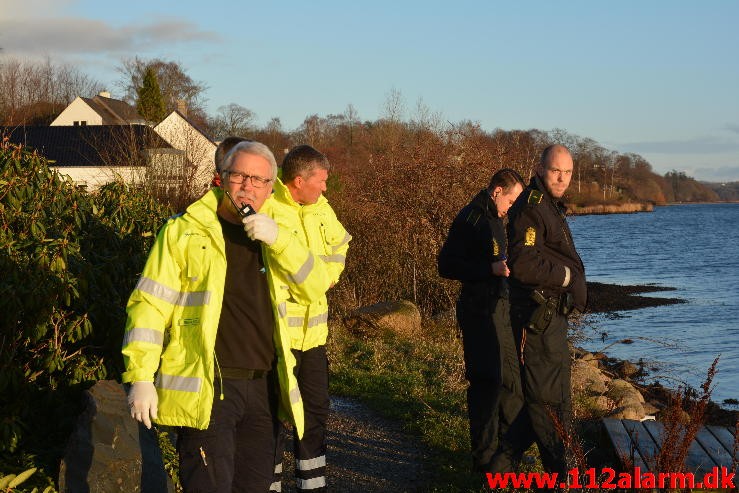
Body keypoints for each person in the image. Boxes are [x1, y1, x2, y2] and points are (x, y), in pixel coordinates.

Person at [123, 141, 332, 492]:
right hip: (209, 387)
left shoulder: (278, 233)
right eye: (240, 176)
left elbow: (314, 286)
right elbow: (150, 305)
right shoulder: (183, 231)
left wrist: (279, 240)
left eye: (258, 180)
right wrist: (141, 375)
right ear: (222, 179)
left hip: (265, 386)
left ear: (271, 188)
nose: (248, 186)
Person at [489, 144, 587, 477]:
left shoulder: (549, 205)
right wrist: (567, 276)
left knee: (542, 404)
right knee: (550, 407)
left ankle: (499, 472)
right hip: (538, 323)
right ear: (541, 168)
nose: (562, 178)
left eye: (568, 172)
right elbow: (524, 264)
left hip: (550, 322)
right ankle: (566, 478)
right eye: (556, 170)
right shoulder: (533, 207)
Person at [262, 144, 350, 493]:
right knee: (269, 416)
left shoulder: (320, 208)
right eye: (322, 181)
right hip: (276, 336)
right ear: (299, 180)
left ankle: (312, 486)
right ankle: (265, 485)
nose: (326, 188)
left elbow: (340, 245)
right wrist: (305, 284)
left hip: (313, 338)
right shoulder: (268, 208)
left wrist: (325, 277)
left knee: (314, 413)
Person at [438, 168, 525, 474]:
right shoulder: (470, 218)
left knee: (512, 383)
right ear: (497, 191)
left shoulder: (495, 219)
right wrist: (490, 269)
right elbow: (446, 265)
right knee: (487, 384)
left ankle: (507, 456)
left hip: (499, 307)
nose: (511, 207)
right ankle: (485, 462)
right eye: (511, 200)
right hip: (478, 310)